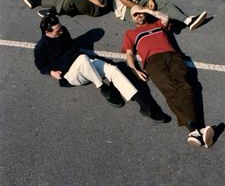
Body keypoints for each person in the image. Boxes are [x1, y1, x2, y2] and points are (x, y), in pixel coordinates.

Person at [34, 14, 169, 122]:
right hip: (71, 75)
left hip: (85, 65)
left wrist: (98, 61)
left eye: (61, 27)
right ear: (47, 32)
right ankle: (103, 88)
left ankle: (146, 107)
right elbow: (40, 65)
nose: (62, 31)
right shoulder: (41, 46)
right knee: (83, 58)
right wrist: (50, 72)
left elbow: (74, 50)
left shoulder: (64, 33)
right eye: (58, 30)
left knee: (113, 69)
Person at [122, 5, 215, 148]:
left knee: (185, 85)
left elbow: (165, 17)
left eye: (140, 13)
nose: (138, 15)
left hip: (173, 57)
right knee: (170, 91)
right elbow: (129, 54)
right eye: (135, 15)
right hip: (152, 63)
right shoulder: (130, 33)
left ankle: (195, 131)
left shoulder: (157, 24)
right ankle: (198, 129)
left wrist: (146, 10)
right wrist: (135, 69)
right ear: (132, 18)